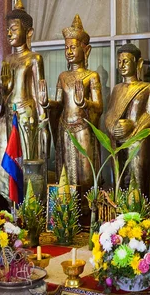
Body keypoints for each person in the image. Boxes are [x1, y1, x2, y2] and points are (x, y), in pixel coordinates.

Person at [45, 15, 103, 198]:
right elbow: (58, 102)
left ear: (86, 50)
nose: (69, 51)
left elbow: (99, 106)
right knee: (67, 172)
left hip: (83, 126)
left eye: (73, 47)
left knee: (85, 174)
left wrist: (85, 103)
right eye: (66, 48)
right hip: (65, 127)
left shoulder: (92, 76)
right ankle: (69, 208)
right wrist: (46, 102)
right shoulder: (63, 76)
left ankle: (87, 207)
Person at [0, 0, 48, 200]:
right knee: (9, 162)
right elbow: (2, 99)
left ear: (29, 33)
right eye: (8, 29)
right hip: (9, 116)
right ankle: (11, 206)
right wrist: (4, 88)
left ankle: (29, 206)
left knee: (27, 162)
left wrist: (42, 118)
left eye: (14, 29)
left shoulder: (34, 59)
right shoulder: (7, 60)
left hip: (26, 117)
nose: (9, 33)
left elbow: (38, 92)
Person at [105, 43, 150, 196]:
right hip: (118, 141)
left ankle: (139, 214)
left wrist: (133, 127)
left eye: (126, 61)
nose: (122, 65)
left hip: (138, 141)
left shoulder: (147, 88)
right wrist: (113, 127)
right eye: (119, 61)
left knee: (137, 179)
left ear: (138, 63)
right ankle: (120, 213)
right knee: (120, 179)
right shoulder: (117, 89)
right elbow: (109, 113)